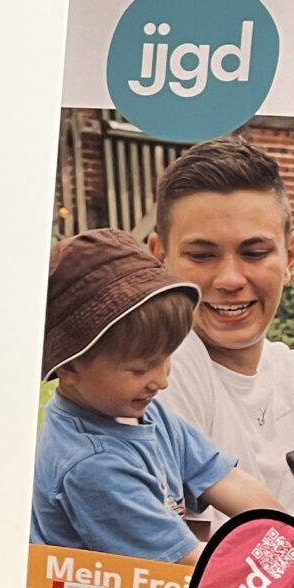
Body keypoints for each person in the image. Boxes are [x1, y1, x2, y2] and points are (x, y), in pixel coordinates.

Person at [145, 136, 294, 519]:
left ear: (290, 256)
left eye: (254, 253)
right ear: (159, 258)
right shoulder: (154, 374)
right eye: (202, 255)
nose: (230, 279)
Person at [31, 228, 276, 561]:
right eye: (140, 369)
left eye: (166, 358)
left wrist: (290, 539)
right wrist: (273, 567)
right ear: (70, 367)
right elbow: (187, 564)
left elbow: (227, 481)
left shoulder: (142, 413)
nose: (161, 381)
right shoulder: (91, 464)